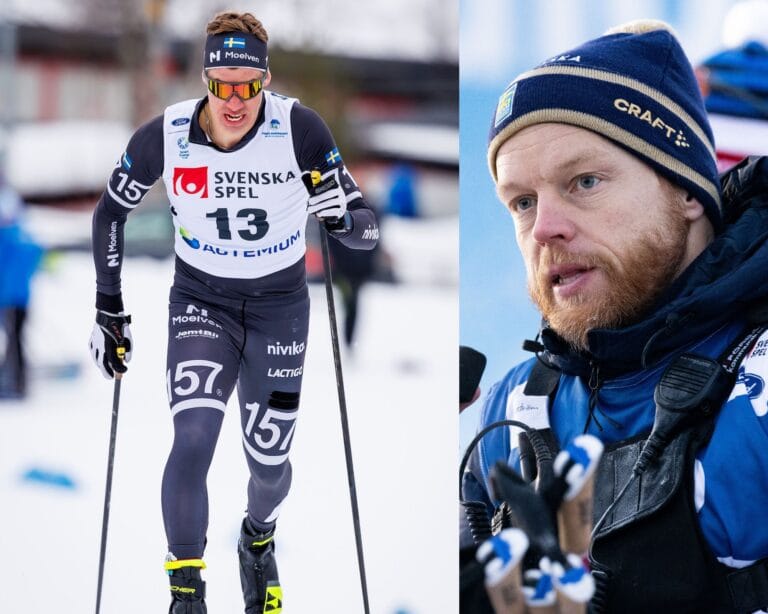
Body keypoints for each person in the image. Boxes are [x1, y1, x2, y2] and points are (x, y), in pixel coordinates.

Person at [461, 20, 768, 612]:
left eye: (584, 182)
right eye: (522, 202)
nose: (545, 228)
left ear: (687, 189)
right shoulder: (511, 409)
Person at [88, 11, 378, 613]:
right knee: (193, 437)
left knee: (269, 467)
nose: (236, 100)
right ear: (206, 80)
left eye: (250, 85)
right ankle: (186, 592)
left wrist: (339, 218)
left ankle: (257, 540)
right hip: (202, 302)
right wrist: (108, 306)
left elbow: (367, 228)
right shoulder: (166, 135)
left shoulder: (300, 128)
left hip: (280, 311)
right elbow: (109, 213)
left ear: (265, 80)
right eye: (224, 85)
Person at [0, 172, 42, 400]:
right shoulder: (23, 237)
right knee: (15, 338)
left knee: (14, 339)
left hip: (10, 297)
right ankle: (15, 380)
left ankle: (16, 383)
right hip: (19, 297)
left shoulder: (9, 239)